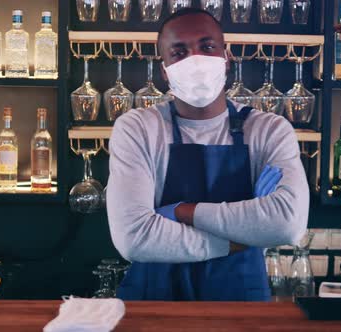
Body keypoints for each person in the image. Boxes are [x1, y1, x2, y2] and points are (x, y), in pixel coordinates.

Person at [106, 8, 309, 301]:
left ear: (226, 58)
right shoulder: (139, 128)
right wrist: (237, 242)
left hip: (240, 304)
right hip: (154, 303)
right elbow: (135, 239)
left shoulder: (269, 130)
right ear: (164, 71)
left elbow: (286, 224)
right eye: (179, 52)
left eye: (207, 47)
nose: (195, 60)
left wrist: (180, 211)